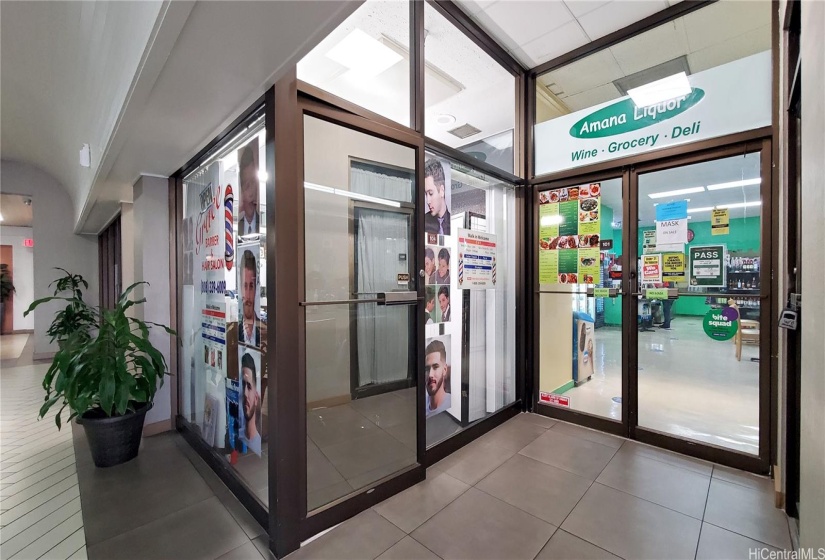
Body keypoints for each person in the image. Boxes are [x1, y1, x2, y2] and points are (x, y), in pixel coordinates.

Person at [239, 250, 262, 347]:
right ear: (240, 287)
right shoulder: (232, 332)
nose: (248, 295)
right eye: (245, 286)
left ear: (256, 288)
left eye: (251, 286)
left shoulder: (264, 331)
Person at [241, 352, 262, 454]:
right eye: (243, 385)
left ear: (256, 398)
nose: (245, 394)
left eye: (249, 387)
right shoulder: (236, 436)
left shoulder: (259, 447)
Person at [425, 339, 451, 417]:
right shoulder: (421, 404)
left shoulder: (451, 404)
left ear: (445, 369)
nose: (430, 375)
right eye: (427, 369)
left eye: (435, 367)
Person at [237, 143, 260, 236]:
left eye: (254, 182)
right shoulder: (237, 228)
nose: (251, 193)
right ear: (241, 191)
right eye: (247, 186)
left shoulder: (265, 224)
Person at [424, 158, 450, 235]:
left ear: (441, 191)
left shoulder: (453, 223)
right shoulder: (422, 223)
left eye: (431, 193)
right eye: (426, 194)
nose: (428, 201)